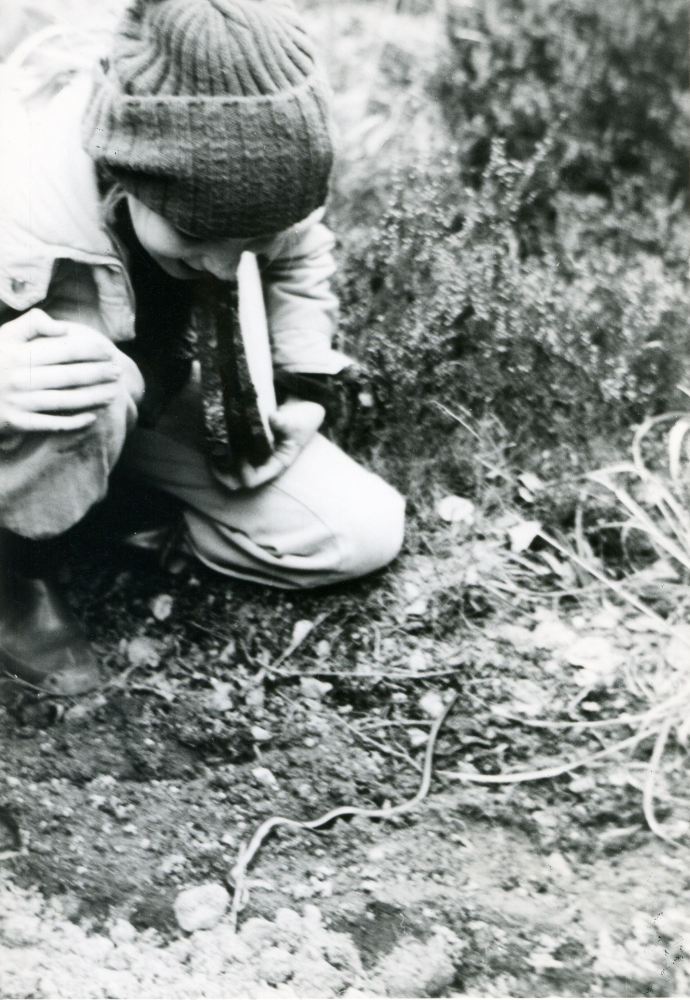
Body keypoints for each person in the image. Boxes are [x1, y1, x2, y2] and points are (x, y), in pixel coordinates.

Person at [0, 0, 405, 696]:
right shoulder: (17, 174)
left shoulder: (266, 163)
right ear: (127, 172)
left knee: (357, 531)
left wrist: (298, 386)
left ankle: (109, 520)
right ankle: (16, 577)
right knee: (92, 378)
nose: (225, 269)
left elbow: (302, 255)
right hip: (40, 411)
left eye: (252, 242)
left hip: (150, 400)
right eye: (195, 236)